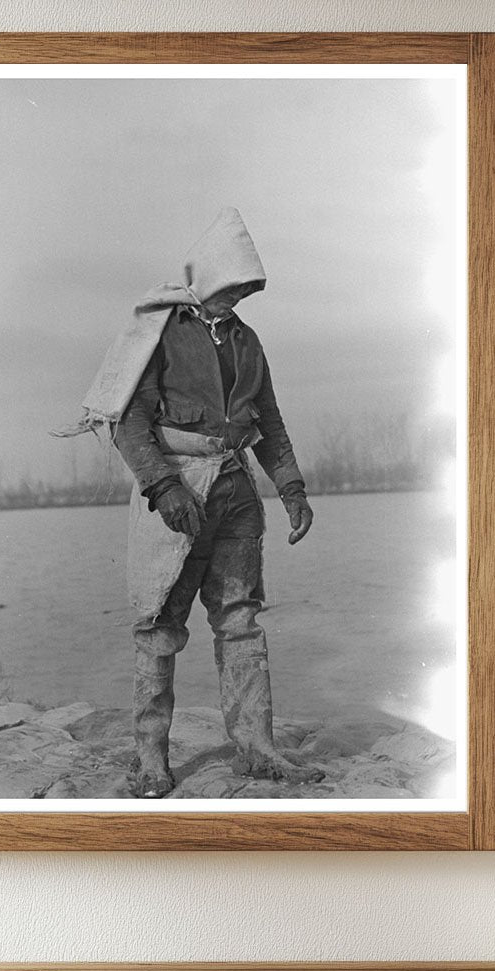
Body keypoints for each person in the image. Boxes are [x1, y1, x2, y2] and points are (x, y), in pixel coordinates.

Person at [107, 208, 325, 798]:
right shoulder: (159, 332)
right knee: (158, 626)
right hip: (175, 498)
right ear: (209, 277)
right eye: (231, 287)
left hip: (236, 495)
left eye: (246, 290)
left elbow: (269, 422)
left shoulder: (247, 342)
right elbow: (127, 422)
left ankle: (257, 752)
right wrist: (164, 486)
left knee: (241, 623)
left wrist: (292, 489)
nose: (238, 299)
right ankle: (150, 761)